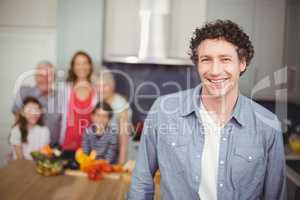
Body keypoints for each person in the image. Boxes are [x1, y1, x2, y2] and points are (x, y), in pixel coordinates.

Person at [128, 20, 286, 200]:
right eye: (206, 60)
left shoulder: (268, 124)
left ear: (242, 63)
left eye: (225, 59)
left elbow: (276, 194)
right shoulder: (164, 111)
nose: (215, 71)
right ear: (197, 64)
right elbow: (141, 181)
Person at [12, 60, 61, 146]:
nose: (45, 79)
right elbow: (17, 120)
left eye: (49, 75)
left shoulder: (60, 97)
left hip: (53, 150)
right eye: (41, 75)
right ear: (35, 76)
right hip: (26, 147)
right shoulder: (24, 92)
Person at [59, 51, 98, 154]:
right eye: (78, 64)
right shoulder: (65, 88)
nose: (82, 67)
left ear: (90, 66)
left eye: (85, 63)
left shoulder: (97, 90)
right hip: (68, 142)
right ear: (73, 67)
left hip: (89, 145)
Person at [94, 68, 132, 164]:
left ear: (112, 86)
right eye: (97, 86)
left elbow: (124, 140)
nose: (100, 89)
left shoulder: (120, 104)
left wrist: (121, 164)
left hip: (120, 155)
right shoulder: (99, 102)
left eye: (104, 86)